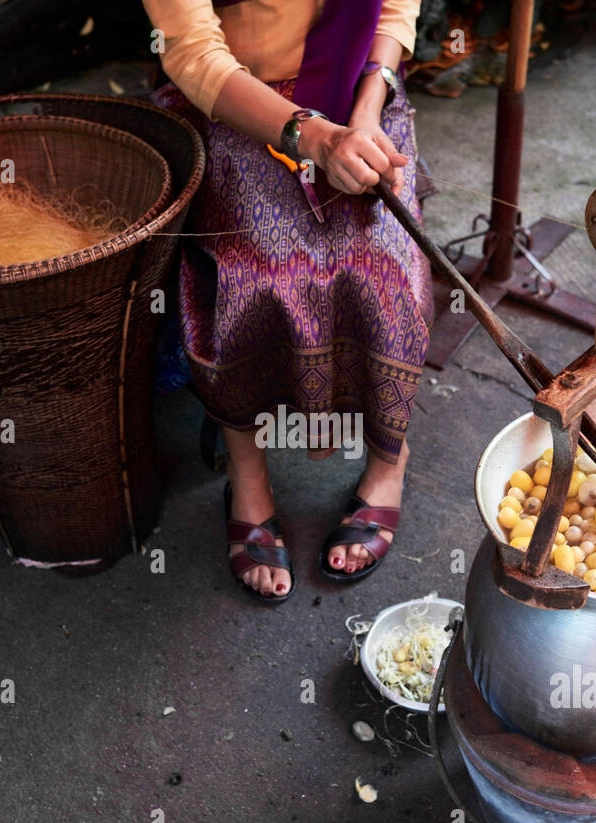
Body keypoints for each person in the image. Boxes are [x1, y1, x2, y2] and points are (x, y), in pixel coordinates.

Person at [144, 0, 433, 602]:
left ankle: (388, 460)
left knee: (386, 267)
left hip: (360, 90)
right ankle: (247, 478)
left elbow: (394, 6)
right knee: (254, 276)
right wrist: (313, 136)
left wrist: (367, 107)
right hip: (233, 101)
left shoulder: (365, 97)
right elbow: (192, 49)